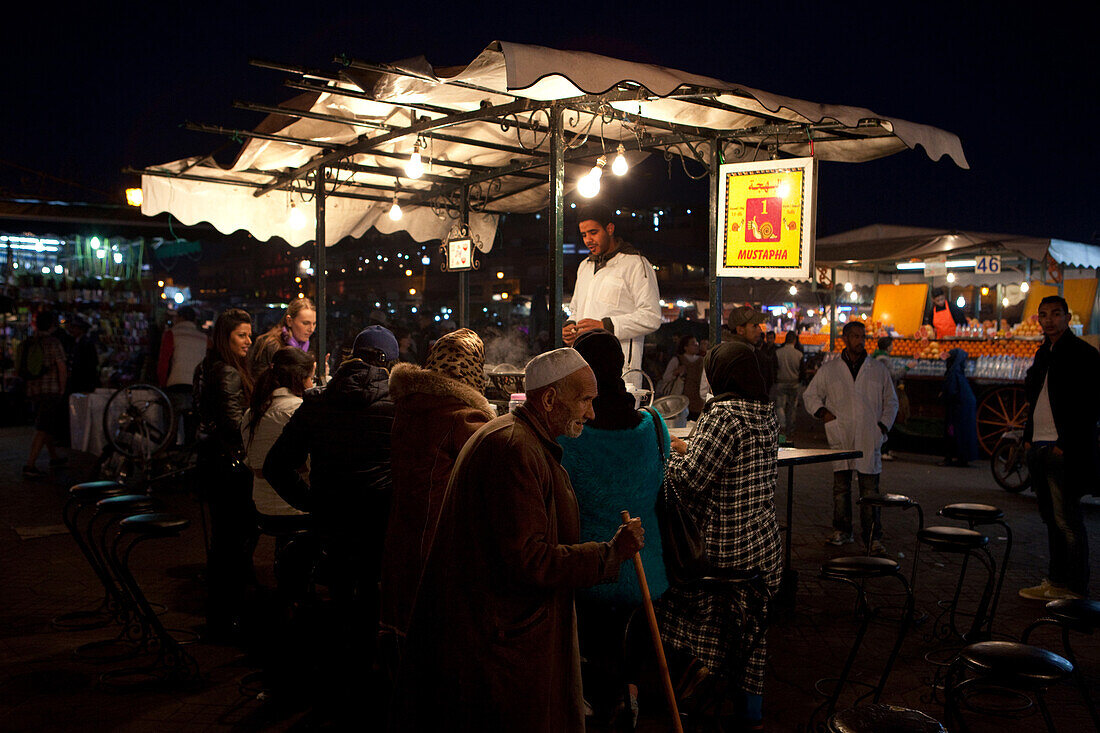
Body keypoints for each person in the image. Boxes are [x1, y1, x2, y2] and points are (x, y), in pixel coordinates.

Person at [394, 347, 645, 733]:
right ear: (549, 399)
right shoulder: (514, 448)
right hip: (501, 638)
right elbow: (529, 560)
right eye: (584, 400)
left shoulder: (521, 439)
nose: (591, 414)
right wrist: (609, 554)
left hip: (502, 630)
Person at [263, 324, 397, 695]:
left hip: (331, 523)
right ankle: (367, 684)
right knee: (372, 594)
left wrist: (312, 504)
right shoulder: (400, 404)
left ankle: (338, 682)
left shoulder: (318, 402)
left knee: (338, 595)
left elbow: (277, 466)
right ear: (391, 363)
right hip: (379, 521)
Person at [657, 341, 781, 731]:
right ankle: (750, 713)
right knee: (750, 633)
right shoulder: (765, 412)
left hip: (727, 549)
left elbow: (691, 480)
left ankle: (696, 673)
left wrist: (670, 455)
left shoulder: (724, 415)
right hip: (765, 549)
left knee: (667, 595)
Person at [559, 329, 679, 725]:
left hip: (592, 570)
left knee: (595, 648)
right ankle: (631, 697)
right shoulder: (654, 424)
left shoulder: (572, 434)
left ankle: (599, 703)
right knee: (630, 646)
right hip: (649, 572)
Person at [380, 328, 494, 643]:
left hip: (403, 533)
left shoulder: (408, 406)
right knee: (435, 635)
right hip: (439, 540)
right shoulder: (464, 417)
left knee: (403, 630)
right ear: (475, 369)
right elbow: (491, 477)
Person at [1018, 296, 1100, 601]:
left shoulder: (1083, 354)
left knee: (1067, 519)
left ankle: (1075, 587)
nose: (1049, 320)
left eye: (1055, 314)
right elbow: (1034, 399)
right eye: (1043, 315)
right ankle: (1056, 580)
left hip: (1061, 449)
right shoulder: (1044, 354)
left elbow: (1090, 405)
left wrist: (1065, 445)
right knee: (1051, 518)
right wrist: (1029, 437)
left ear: (1067, 317)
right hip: (1039, 445)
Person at [803, 321, 898, 554]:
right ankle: (842, 530)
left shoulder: (878, 369)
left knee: (870, 490)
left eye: (862, 336)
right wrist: (824, 414)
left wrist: (882, 428)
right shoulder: (830, 370)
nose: (859, 340)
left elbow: (891, 402)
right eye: (854, 336)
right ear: (845, 338)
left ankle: (873, 536)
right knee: (841, 488)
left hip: (869, 435)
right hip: (841, 434)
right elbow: (811, 395)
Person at [193, 307, 255, 638]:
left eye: (249, 334)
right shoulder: (229, 372)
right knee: (233, 544)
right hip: (229, 467)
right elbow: (235, 424)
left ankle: (222, 614)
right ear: (225, 337)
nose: (249, 340)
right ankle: (228, 616)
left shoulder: (207, 367)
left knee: (224, 543)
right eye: (241, 335)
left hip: (213, 464)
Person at [562, 203, 661, 385]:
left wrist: (605, 325)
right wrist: (571, 325)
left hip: (621, 369)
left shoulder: (636, 264)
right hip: (584, 365)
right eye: (584, 235)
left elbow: (651, 316)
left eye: (593, 232)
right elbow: (576, 309)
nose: (588, 240)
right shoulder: (584, 266)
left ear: (609, 228)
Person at [241, 347, 315, 517]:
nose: (312, 385)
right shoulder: (298, 410)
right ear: (300, 379)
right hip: (295, 506)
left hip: (261, 505)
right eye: (311, 378)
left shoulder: (250, 413)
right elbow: (314, 464)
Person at [21, 310, 68, 478]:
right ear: (51, 324)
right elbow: (61, 367)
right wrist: (62, 388)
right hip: (50, 389)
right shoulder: (52, 342)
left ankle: (54, 456)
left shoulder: (30, 341)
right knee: (43, 426)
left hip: (33, 389)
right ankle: (30, 464)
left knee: (45, 423)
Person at [157, 305, 209, 441]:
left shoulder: (171, 334)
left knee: (170, 429)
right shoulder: (204, 338)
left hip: (175, 385)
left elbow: (163, 362)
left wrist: (162, 384)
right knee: (191, 429)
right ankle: (188, 459)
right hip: (196, 389)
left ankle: (170, 456)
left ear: (180, 318)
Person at [700, 305, 771, 401]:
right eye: (755, 326)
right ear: (740, 330)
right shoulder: (724, 354)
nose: (760, 330)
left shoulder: (752, 352)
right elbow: (705, 391)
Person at [248, 297, 316, 378]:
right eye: (305, 323)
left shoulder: (308, 346)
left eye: (314, 324)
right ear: (289, 321)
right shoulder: (271, 345)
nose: (311, 329)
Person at [941, 348, 979, 467]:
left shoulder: (953, 373)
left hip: (957, 408)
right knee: (964, 432)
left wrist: (944, 395)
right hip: (965, 407)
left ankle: (950, 457)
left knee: (952, 432)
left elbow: (951, 391)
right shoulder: (959, 372)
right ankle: (963, 457)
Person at [658, 334, 705, 418]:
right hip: (681, 401)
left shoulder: (702, 360)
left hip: (699, 402)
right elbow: (666, 377)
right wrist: (676, 372)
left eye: (697, 343)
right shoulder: (677, 360)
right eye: (693, 343)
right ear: (685, 347)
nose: (696, 345)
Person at [773, 330, 803, 435]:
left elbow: (775, 368)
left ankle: (782, 425)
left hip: (781, 382)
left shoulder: (778, 353)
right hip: (794, 383)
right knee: (792, 407)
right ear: (794, 340)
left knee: (780, 405)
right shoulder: (799, 354)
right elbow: (801, 370)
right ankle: (790, 427)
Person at [66, 317, 100, 394]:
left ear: (81, 329)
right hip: (77, 380)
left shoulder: (86, 343)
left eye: (74, 328)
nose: (72, 330)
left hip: (84, 380)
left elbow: (91, 363)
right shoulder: (74, 342)